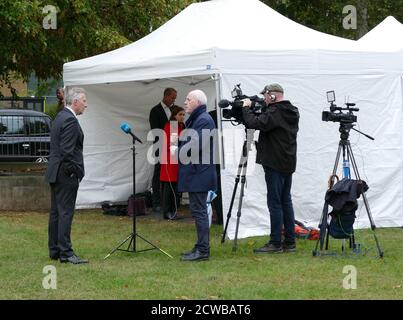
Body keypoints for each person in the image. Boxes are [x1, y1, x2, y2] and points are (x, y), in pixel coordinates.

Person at [242, 83, 299, 253]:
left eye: (266, 96)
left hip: (274, 162)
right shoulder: (291, 110)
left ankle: (275, 242)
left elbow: (254, 123)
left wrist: (246, 108)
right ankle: (289, 241)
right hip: (287, 162)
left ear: (272, 96)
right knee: (285, 201)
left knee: (275, 202)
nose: (264, 99)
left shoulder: (276, 111)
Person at [44, 87, 88, 264]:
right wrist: (74, 171)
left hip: (56, 171)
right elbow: (67, 152)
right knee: (65, 213)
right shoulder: (69, 120)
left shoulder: (60, 116)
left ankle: (55, 249)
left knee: (56, 213)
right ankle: (66, 253)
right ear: (75, 101)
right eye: (84, 101)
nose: (86, 104)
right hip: (65, 173)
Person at [178, 90, 217, 262]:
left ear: (198, 102)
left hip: (200, 173)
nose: (185, 102)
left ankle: (203, 250)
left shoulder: (203, 120)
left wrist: (176, 150)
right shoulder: (197, 119)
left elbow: (196, 146)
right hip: (196, 172)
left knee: (200, 211)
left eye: (188, 99)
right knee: (197, 210)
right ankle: (200, 246)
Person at [149, 88, 177, 213]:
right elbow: (155, 131)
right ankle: (157, 202)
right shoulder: (155, 111)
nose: (173, 100)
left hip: (173, 147)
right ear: (165, 96)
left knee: (172, 174)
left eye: (175, 98)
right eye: (172, 97)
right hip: (160, 146)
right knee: (158, 174)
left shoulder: (174, 110)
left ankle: (171, 202)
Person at [160, 106, 186, 220]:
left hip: (177, 159)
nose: (182, 117)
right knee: (169, 187)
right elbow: (173, 145)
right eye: (180, 114)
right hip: (171, 160)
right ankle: (167, 212)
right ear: (174, 115)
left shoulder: (181, 126)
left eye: (183, 114)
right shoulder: (171, 126)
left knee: (174, 187)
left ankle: (173, 210)